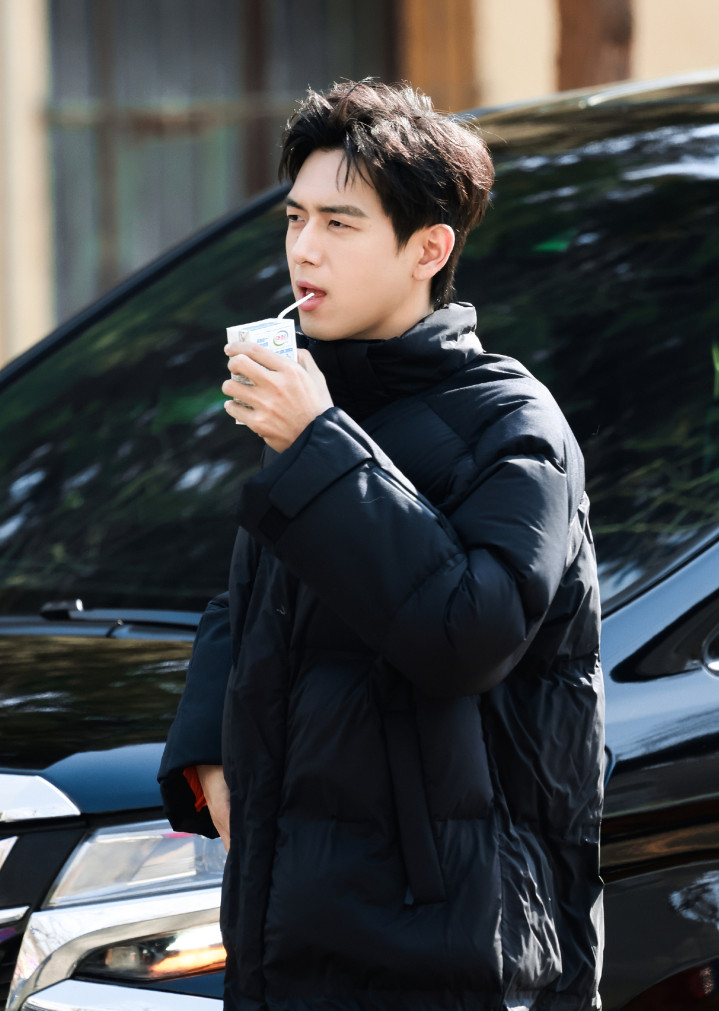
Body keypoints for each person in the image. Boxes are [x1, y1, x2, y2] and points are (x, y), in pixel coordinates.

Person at [159, 79, 604, 1011]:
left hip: (453, 948)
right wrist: (206, 750)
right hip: (289, 931)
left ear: (427, 250)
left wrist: (318, 444)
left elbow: (468, 633)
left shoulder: (512, 425)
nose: (303, 248)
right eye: (294, 218)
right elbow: (254, 596)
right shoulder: (321, 404)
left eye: (340, 222)